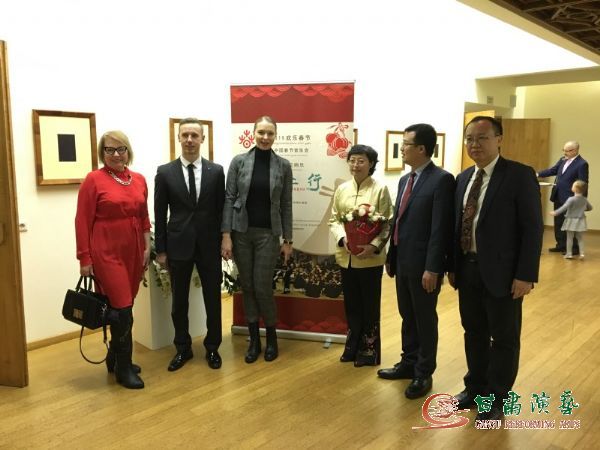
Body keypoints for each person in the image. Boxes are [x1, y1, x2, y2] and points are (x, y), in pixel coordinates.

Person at [448, 116, 543, 421]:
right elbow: (457, 225)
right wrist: (452, 265)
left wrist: (525, 275)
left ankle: (497, 398)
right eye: (469, 139)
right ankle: (475, 388)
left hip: (504, 273)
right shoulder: (463, 178)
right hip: (467, 268)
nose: (474, 144)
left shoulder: (518, 175)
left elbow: (532, 229)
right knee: (473, 332)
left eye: (482, 138)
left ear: (499, 139)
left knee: (503, 338)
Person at [376, 124, 454, 399]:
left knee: (424, 319)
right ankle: (408, 362)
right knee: (407, 315)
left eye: (406, 144)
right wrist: (391, 255)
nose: (402, 149)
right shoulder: (404, 180)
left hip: (424, 266)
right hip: (403, 261)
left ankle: (423, 372)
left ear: (421, 148)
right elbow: (399, 221)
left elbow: (440, 229)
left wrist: (433, 268)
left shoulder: (441, 180)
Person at [75, 130, 150, 389]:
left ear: (128, 151)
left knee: (124, 306)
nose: (116, 154)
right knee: (122, 308)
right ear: (102, 152)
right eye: (109, 150)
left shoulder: (138, 179)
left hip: (134, 251)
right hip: (106, 252)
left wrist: (147, 247)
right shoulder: (93, 180)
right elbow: (82, 221)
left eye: (121, 149)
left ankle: (114, 358)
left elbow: (144, 217)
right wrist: (84, 258)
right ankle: (123, 368)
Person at [154, 118, 225, 371]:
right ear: (179, 138)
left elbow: (221, 210)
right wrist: (161, 250)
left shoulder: (216, 171)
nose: (190, 140)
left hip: (209, 245)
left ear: (202, 139)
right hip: (178, 246)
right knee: (179, 303)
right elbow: (159, 212)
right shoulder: (165, 172)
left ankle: (213, 347)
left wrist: (225, 239)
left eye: (195, 135)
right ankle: (182, 348)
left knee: (213, 300)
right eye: (185, 135)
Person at [221, 116, 293, 363]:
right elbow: (229, 198)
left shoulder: (283, 165)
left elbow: (286, 204)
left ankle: (271, 337)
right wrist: (226, 235)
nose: (265, 137)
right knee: (248, 286)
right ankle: (254, 340)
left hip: (268, 235)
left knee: (262, 286)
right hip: (241, 233)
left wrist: (288, 240)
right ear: (253, 133)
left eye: (270, 133)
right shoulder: (239, 162)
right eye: (261, 132)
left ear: (275, 136)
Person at [328, 145, 393, 367]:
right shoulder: (342, 189)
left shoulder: (380, 189)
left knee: (369, 305)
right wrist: (342, 238)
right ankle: (352, 345)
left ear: (371, 164)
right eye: (352, 160)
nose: (356, 165)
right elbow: (335, 219)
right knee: (352, 304)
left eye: (361, 161)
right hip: (346, 257)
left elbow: (387, 223)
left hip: (370, 259)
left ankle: (369, 349)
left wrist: (374, 246)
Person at [537, 141, 589, 254]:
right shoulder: (562, 159)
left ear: (575, 150)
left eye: (567, 151)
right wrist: (537, 174)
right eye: (564, 150)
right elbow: (553, 170)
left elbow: (583, 183)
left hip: (571, 198)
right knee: (559, 222)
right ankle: (561, 245)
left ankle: (574, 248)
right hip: (558, 196)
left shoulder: (582, 164)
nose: (565, 153)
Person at [550, 180, 593, 259]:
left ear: (575, 189)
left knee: (569, 238)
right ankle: (582, 254)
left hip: (571, 220)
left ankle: (569, 254)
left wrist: (556, 212)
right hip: (580, 221)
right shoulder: (584, 199)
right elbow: (590, 208)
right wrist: (582, 209)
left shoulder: (571, 199)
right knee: (580, 238)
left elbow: (564, 207)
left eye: (573, 185)